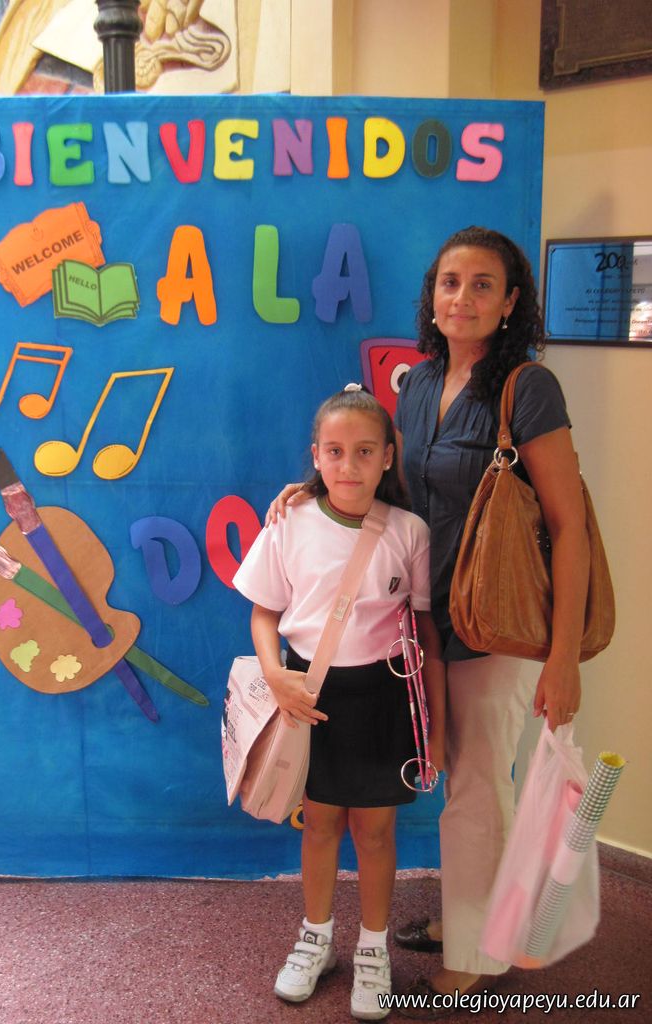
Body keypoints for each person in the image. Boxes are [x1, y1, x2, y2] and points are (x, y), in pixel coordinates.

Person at [267, 226, 590, 1018]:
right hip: (422, 623)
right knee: (453, 778)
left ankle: (476, 954)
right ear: (432, 296)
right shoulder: (417, 385)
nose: (463, 298)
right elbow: (387, 489)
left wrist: (564, 657)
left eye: (483, 285)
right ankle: (465, 916)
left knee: (477, 783)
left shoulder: (528, 388)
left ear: (511, 303)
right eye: (451, 282)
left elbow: (570, 525)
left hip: (498, 624)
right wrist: (313, 492)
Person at [234, 384, 445, 1021]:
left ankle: (373, 950)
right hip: (308, 696)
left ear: (388, 457)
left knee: (375, 833)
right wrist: (276, 674)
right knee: (321, 824)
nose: (348, 465)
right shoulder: (289, 521)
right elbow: (264, 612)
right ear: (316, 456)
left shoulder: (409, 531)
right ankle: (316, 939)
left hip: (383, 699)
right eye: (334, 451)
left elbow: (426, 632)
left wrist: (434, 729)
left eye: (364, 451)